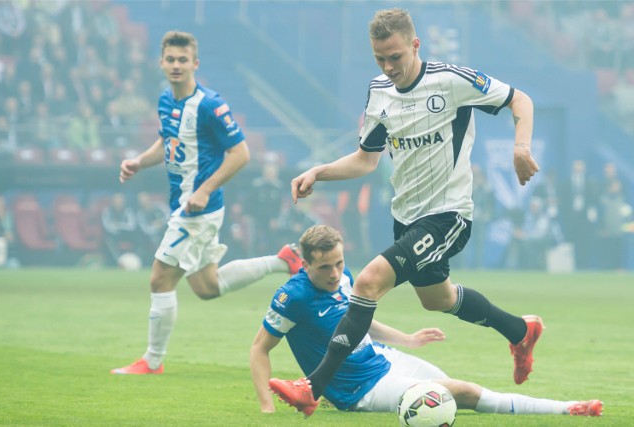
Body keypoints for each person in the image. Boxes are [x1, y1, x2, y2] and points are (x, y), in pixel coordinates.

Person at [270, 8, 543, 415]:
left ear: (415, 45)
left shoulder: (451, 80)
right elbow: (366, 160)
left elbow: (520, 99)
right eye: (380, 58)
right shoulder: (379, 91)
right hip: (407, 218)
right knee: (438, 299)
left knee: (366, 282)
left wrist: (521, 147)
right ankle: (521, 330)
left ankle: (313, 387)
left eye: (395, 56)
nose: (388, 66)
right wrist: (318, 171)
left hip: (449, 214)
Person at [252, 225, 602, 418]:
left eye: (339, 263)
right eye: (325, 267)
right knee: (462, 393)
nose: (335, 274)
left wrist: (407, 338)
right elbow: (259, 349)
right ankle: (567, 409)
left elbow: (357, 324)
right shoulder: (292, 297)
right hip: (361, 389)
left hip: (384, 359)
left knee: (457, 393)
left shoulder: (346, 280)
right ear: (305, 264)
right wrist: (267, 410)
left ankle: (566, 406)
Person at [111, 31, 302, 375]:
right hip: (183, 205)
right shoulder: (165, 100)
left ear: (195, 64)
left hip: (197, 211)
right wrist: (139, 161)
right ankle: (282, 260)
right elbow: (165, 141)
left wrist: (204, 189)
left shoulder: (211, 105)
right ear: (161, 62)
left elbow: (241, 153)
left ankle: (152, 361)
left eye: (183, 60)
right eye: (170, 59)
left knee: (159, 279)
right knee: (206, 287)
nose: (176, 65)